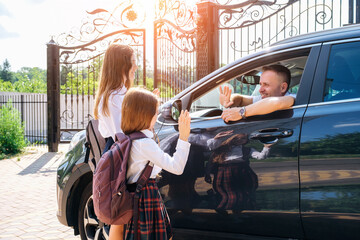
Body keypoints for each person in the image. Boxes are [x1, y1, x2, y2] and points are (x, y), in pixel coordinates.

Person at [110, 88, 191, 240]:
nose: (158, 115)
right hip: (145, 196)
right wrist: (184, 138)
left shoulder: (128, 138)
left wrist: (149, 100)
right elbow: (177, 167)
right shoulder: (145, 144)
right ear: (145, 115)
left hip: (133, 196)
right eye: (155, 112)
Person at [220, 64, 296, 122]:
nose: (260, 90)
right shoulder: (264, 99)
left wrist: (241, 112)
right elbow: (241, 99)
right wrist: (230, 99)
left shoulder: (293, 98)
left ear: (283, 88)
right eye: (260, 84)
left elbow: (277, 103)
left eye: (266, 84)